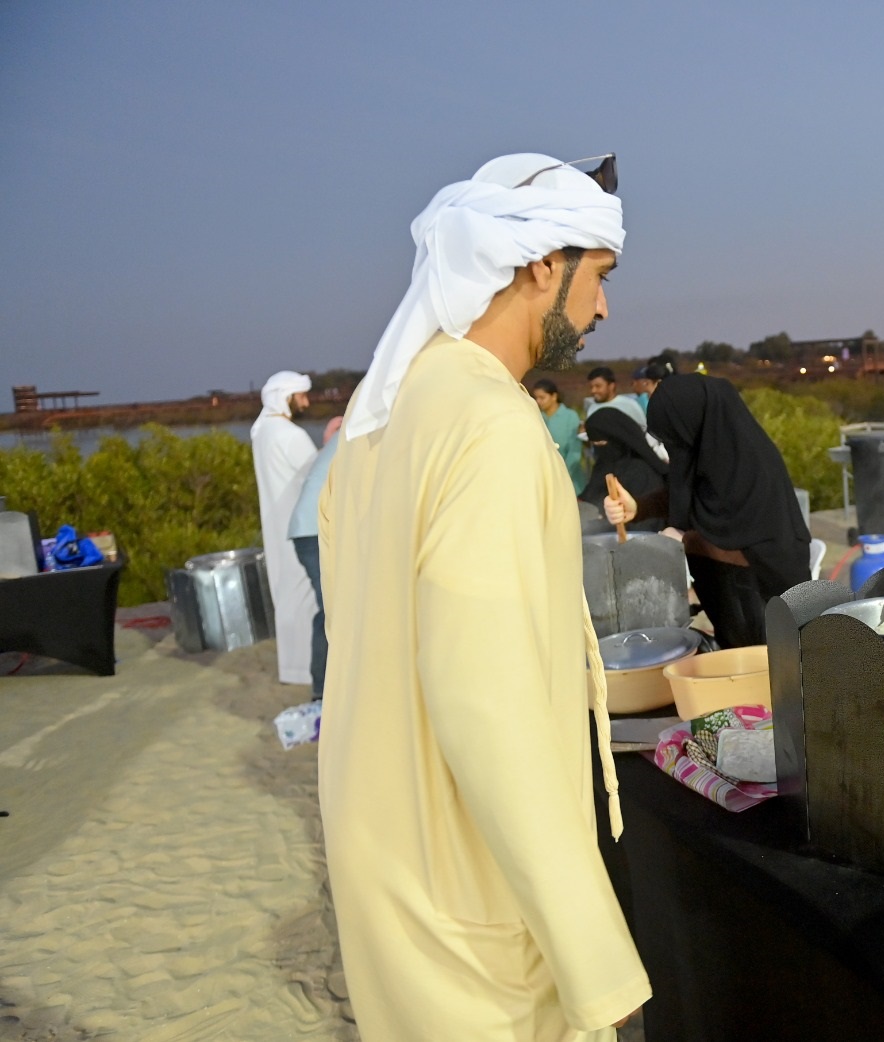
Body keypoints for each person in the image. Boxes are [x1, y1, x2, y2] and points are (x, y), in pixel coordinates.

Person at [318, 152, 648, 1040]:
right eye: (600, 276)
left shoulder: (389, 415)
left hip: (384, 835)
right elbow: (483, 702)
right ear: (542, 265)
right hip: (466, 873)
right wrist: (590, 946)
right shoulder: (490, 424)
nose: (603, 308)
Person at [604, 374, 811, 647]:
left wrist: (686, 540)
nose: (673, 448)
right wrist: (637, 508)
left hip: (770, 604)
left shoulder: (751, 470)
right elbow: (682, 492)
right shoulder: (703, 451)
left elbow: (756, 549)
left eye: (675, 438)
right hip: (728, 600)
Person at [250, 370, 318, 686]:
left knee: (287, 591)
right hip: (300, 524)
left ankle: (292, 667)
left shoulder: (264, 432)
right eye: (301, 394)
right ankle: (306, 669)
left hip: (277, 522)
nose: (306, 400)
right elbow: (317, 479)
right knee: (305, 593)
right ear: (286, 397)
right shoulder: (290, 435)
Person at [286, 415, 342, 698]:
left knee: (335, 608)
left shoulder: (350, 436)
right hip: (313, 534)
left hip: (312, 531)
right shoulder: (358, 440)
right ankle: (321, 692)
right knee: (332, 610)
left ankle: (327, 689)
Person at [580, 407, 667, 531]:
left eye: (601, 443)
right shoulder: (603, 464)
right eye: (594, 444)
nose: (598, 450)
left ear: (618, 438)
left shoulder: (642, 471)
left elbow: (647, 524)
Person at [532, 378, 586, 493]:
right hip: (544, 481)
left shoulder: (570, 416)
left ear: (554, 396)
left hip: (570, 480)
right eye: (536, 398)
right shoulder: (536, 417)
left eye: (542, 398)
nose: (538, 401)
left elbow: (574, 451)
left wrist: (562, 475)